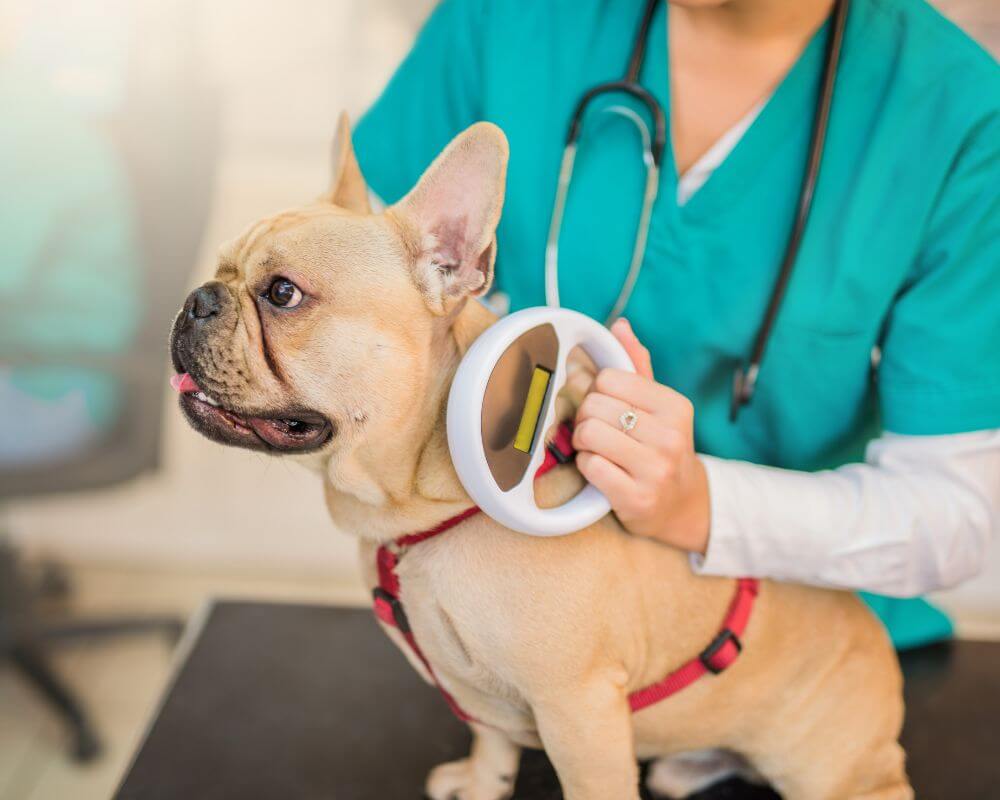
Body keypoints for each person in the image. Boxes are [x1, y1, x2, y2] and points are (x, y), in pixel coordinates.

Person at [353, 0, 1000, 649]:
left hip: (798, 655)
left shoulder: (956, 112)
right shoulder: (506, 21)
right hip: (512, 617)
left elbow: (951, 518)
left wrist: (696, 503)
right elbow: (360, 301)